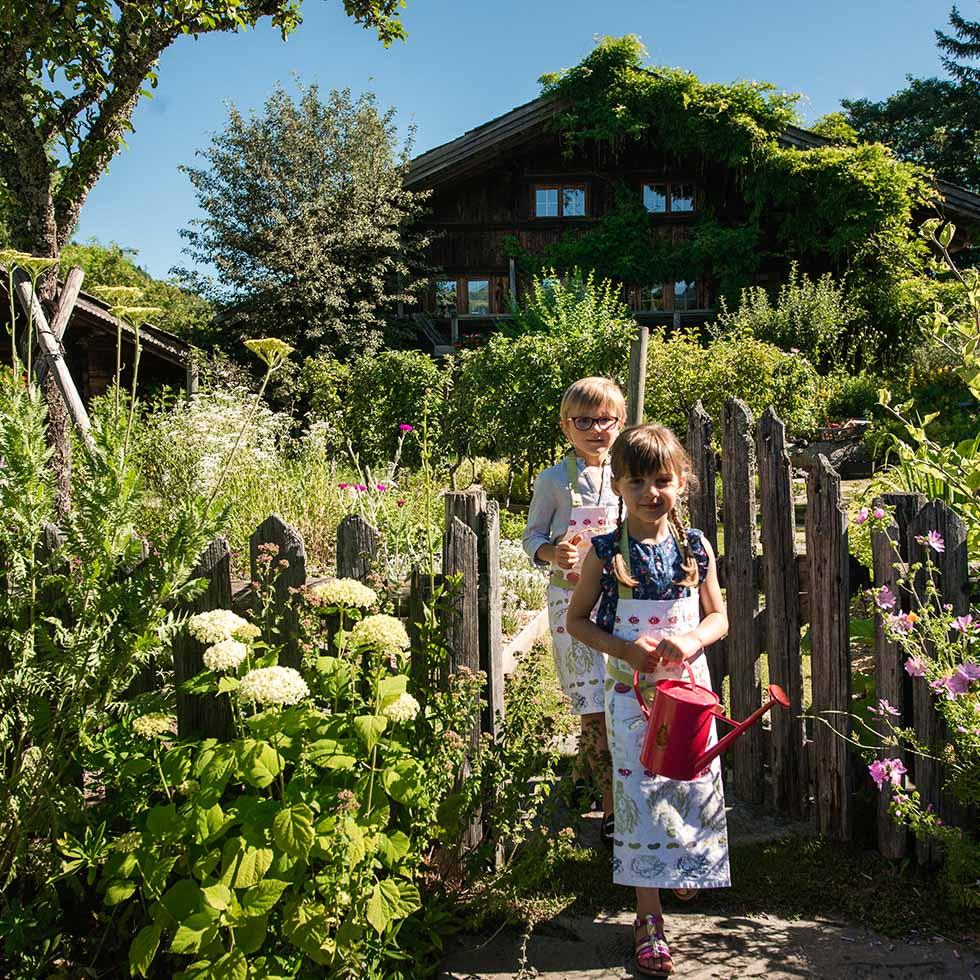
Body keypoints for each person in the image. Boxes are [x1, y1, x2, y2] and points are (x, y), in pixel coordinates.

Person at [565, 424, 730, 977]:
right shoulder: (606, 552)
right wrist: (626, 651)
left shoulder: (695, 547)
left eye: (662, 480)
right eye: (637, 481)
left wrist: (688, 640)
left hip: (689, 692)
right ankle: (648, 915)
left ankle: (684, 867)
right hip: (631, 695)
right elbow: (577, 621)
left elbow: (718, 617)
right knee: (638, 789)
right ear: (617, 485)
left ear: (682, 482)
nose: (650, 492)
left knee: (690, 780)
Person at [523, 377, 625, 842]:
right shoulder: (553, 480)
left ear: (620, 423)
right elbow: (532, 538)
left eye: (606, 419)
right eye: (585, 420)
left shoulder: (628, 473)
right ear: (567, 427)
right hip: (572, 604)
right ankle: (611, 810)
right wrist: (552, 553)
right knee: (593, 705)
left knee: (620, 697)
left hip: (623, 602)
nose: (596, 429)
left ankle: (584, 781)